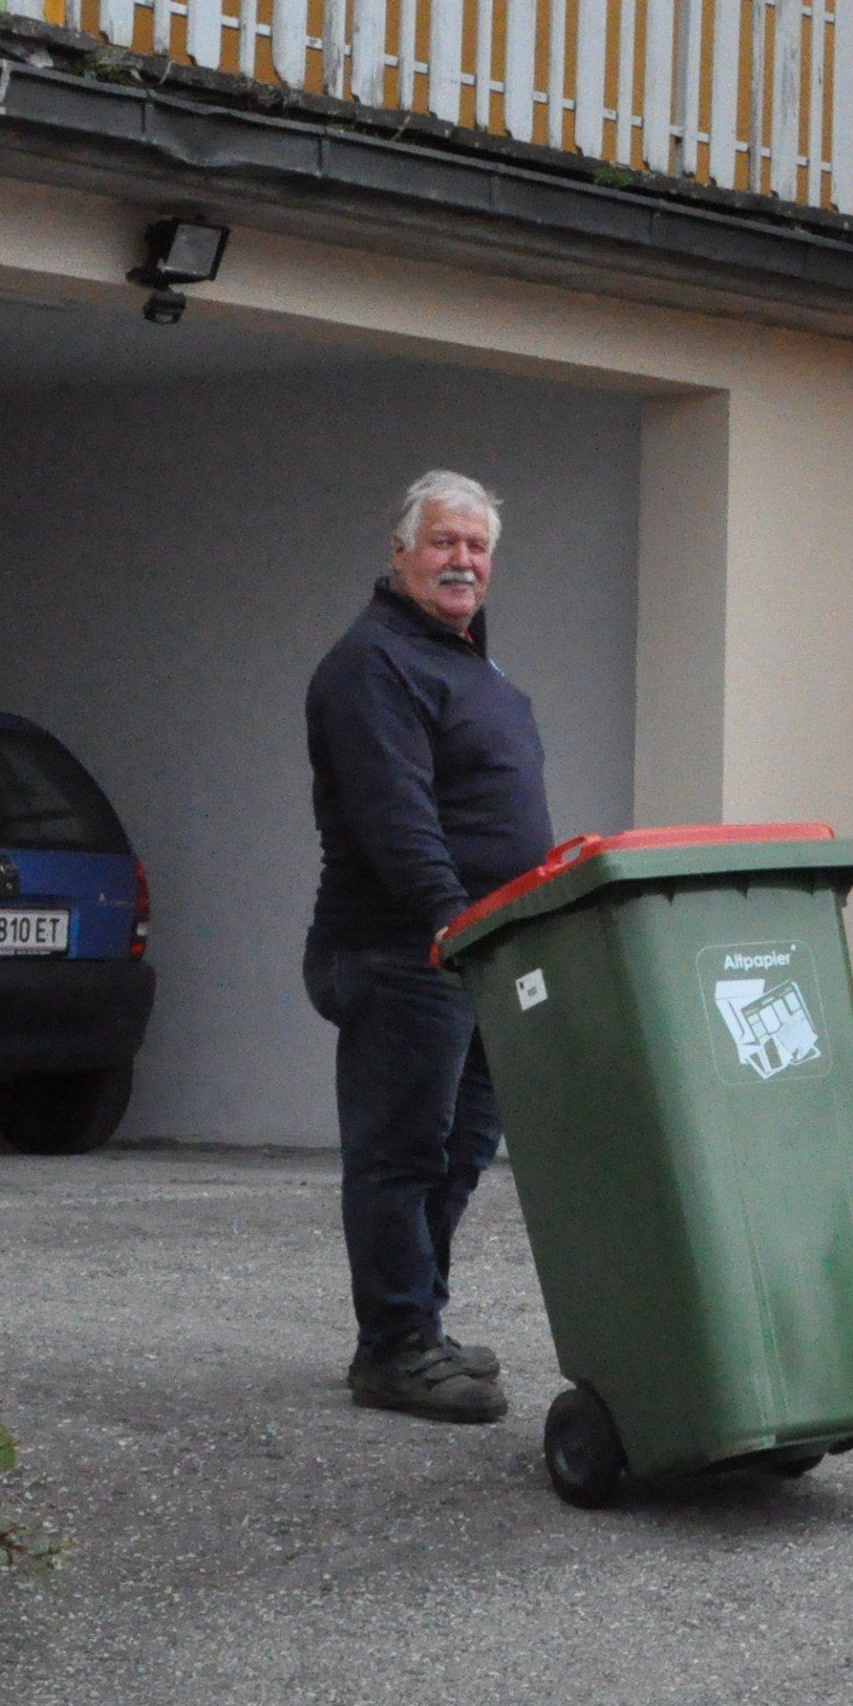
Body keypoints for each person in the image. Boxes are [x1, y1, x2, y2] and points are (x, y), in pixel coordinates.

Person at [302, 470, 552, 1423]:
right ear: (400, 553)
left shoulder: (468, 665)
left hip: (481, 951)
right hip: (407, 951)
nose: (462, 561)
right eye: (444, 542)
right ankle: (394, 1347)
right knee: (400, 1154)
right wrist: (448, 914)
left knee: (458, 1152)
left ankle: (421, 1329)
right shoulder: (373, 665)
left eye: (477, 546)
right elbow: (393, 813)